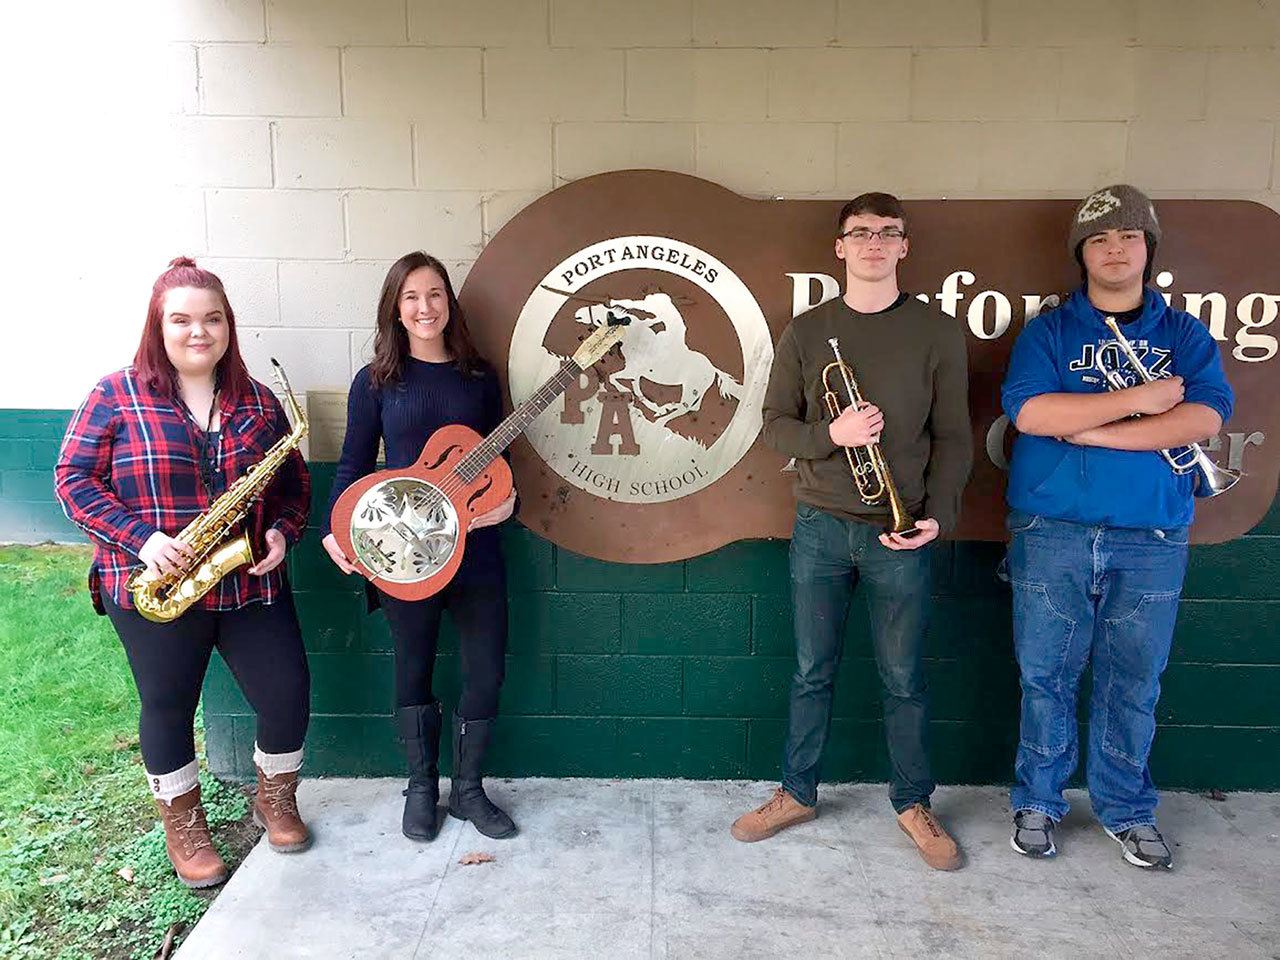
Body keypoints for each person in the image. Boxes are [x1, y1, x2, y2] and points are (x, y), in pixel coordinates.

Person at [731, 193, 972, 871]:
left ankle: (913, 802)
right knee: (812, 670)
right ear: (839, 248)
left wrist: (939, 516)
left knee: (904, 678)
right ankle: (798, 791)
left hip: (901, 535)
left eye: (886, 234)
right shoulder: (809, 332)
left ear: (904, 246)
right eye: (859, 233)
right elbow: (773, 424)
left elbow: (954, 436)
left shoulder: (936, 331)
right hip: (821, 529)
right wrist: (831, 434)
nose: (872, 243)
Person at [54, 257, 313, 888]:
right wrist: (143, 540)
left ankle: (274, 798)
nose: (198, 331)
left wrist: (281, 531)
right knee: (168, 705)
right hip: (154, 585)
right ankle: (183, 822)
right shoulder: (114, 394)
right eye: (182, 319)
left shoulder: (257, 402)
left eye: (211, 319)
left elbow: (292, 488)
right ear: (159, 325)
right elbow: (72, 481)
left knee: (287, 695)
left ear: (228, 325)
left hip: (249, 581)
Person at [1000, 184, 1234, 869]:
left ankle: (1127, 809)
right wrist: (1139, 404)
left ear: (1148, 249)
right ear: (1082, 253)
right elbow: (1033, 416)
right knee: (1045, 674)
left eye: (1128, 237)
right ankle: (1039, 800)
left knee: (1135, 680)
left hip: (1152, 534)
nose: (1114, 249)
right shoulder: (1049, 332)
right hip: (1054, 529)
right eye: (1099, 240)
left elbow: (1203, 419)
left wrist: (1095, 431)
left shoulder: (1183, 334)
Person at [322, 251, 518, 842]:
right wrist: (335, 531)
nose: (424, 307)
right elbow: (354, 462)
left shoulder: (480, 378)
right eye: (410, 297)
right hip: (404, 555)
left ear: (448, 303)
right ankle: (419, 788)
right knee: (413, 671)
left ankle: (468, 791)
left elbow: (499, 462)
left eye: (434, 294)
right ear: (395, 309)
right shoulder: (376, 382)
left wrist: (511, 506)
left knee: (485, 672)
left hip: (476, 551)